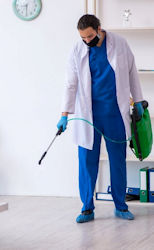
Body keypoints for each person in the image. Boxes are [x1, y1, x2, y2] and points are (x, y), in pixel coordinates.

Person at [57, 14, 144, 223]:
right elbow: (70, 84)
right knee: (87, 163)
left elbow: (132, 73)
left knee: (117, 162)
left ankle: (121, 206)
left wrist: (139, 100)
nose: (87, 41)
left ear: (99, 28)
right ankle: (87, 208)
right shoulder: (77, 50)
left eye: (90, 36)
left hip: (115, 113)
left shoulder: (120, 44)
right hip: (89, 116)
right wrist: (64, 115)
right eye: (83, 38)